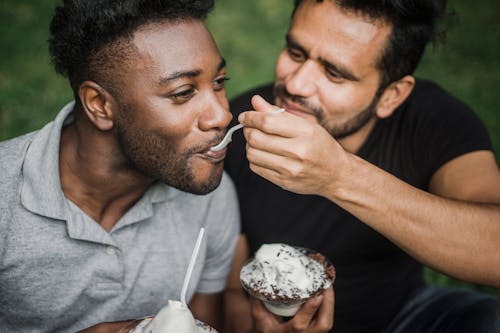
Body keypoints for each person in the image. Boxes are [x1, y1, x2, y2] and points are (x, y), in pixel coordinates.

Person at [223, 0, 500, 332]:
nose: (296, 85)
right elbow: (229, 291)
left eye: (334, 73)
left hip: (404, 317)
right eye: (296, 53)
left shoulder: (432, 120)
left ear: (392, 95)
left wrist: (339, 176)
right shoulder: (239, 129)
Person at [0, 0, 240, 332]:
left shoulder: (212, 197)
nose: (222, 115)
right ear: (100, 106)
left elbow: (206, 322)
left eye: (219, 81)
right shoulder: (5, 198)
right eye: (184, 92)